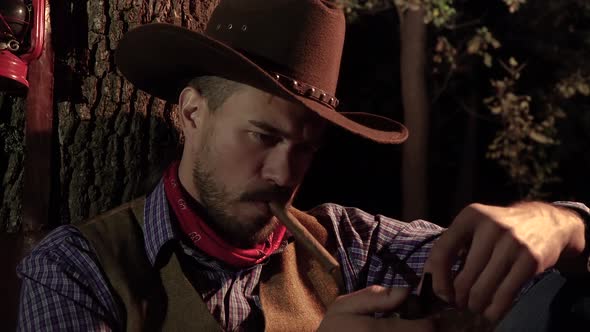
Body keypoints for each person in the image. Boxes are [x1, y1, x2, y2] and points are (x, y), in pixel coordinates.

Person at [16, 0, 590, 331]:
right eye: (263, 135)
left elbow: (527, 275)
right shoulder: (75, 272)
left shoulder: (352, 245)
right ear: (191, 114)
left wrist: (563, 225)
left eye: (307, 147)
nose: (285, 172)